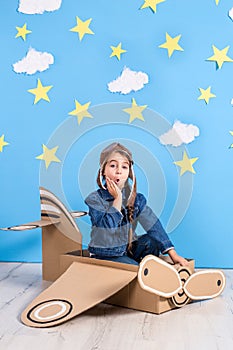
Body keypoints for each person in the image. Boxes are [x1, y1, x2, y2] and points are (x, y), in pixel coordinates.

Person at [85, 142, 188, 266]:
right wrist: (117, 200)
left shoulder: (137, 199)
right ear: (103, 171)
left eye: (124, 167)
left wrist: (173, 254)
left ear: (129, 172)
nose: (118, 171)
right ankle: (136, 271)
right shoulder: (95, 199)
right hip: (104, 254)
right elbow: (106, 231)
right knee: (135, 268)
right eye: (113, 165)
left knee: (151, 242)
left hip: (126, 250)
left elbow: (153, 225)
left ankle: (143, 271)